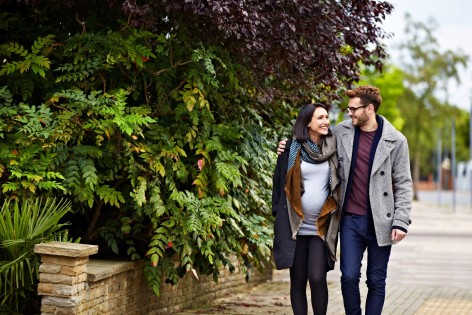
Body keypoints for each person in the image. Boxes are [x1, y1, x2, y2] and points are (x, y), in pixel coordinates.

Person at [277, 85, 413, 315]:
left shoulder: (396, 141)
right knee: (349, 276)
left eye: (353, 109)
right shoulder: (342, 132)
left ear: (369, 109)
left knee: (376, 280)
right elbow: (315, 146)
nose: (349, 113)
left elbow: (403, 183)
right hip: (349, 218)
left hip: (382, 220)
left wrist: (401, 221)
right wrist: (287, 145)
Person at [272, 103, 341, 315]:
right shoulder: (291, 149)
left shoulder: (334, 148)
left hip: (321, 226)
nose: (326, 121)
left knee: (318, 277)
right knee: (298, 279)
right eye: (320, 118)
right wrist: (279, 215)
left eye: (327, 117)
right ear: (307, 122)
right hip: (296, 226)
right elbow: (278, 184)